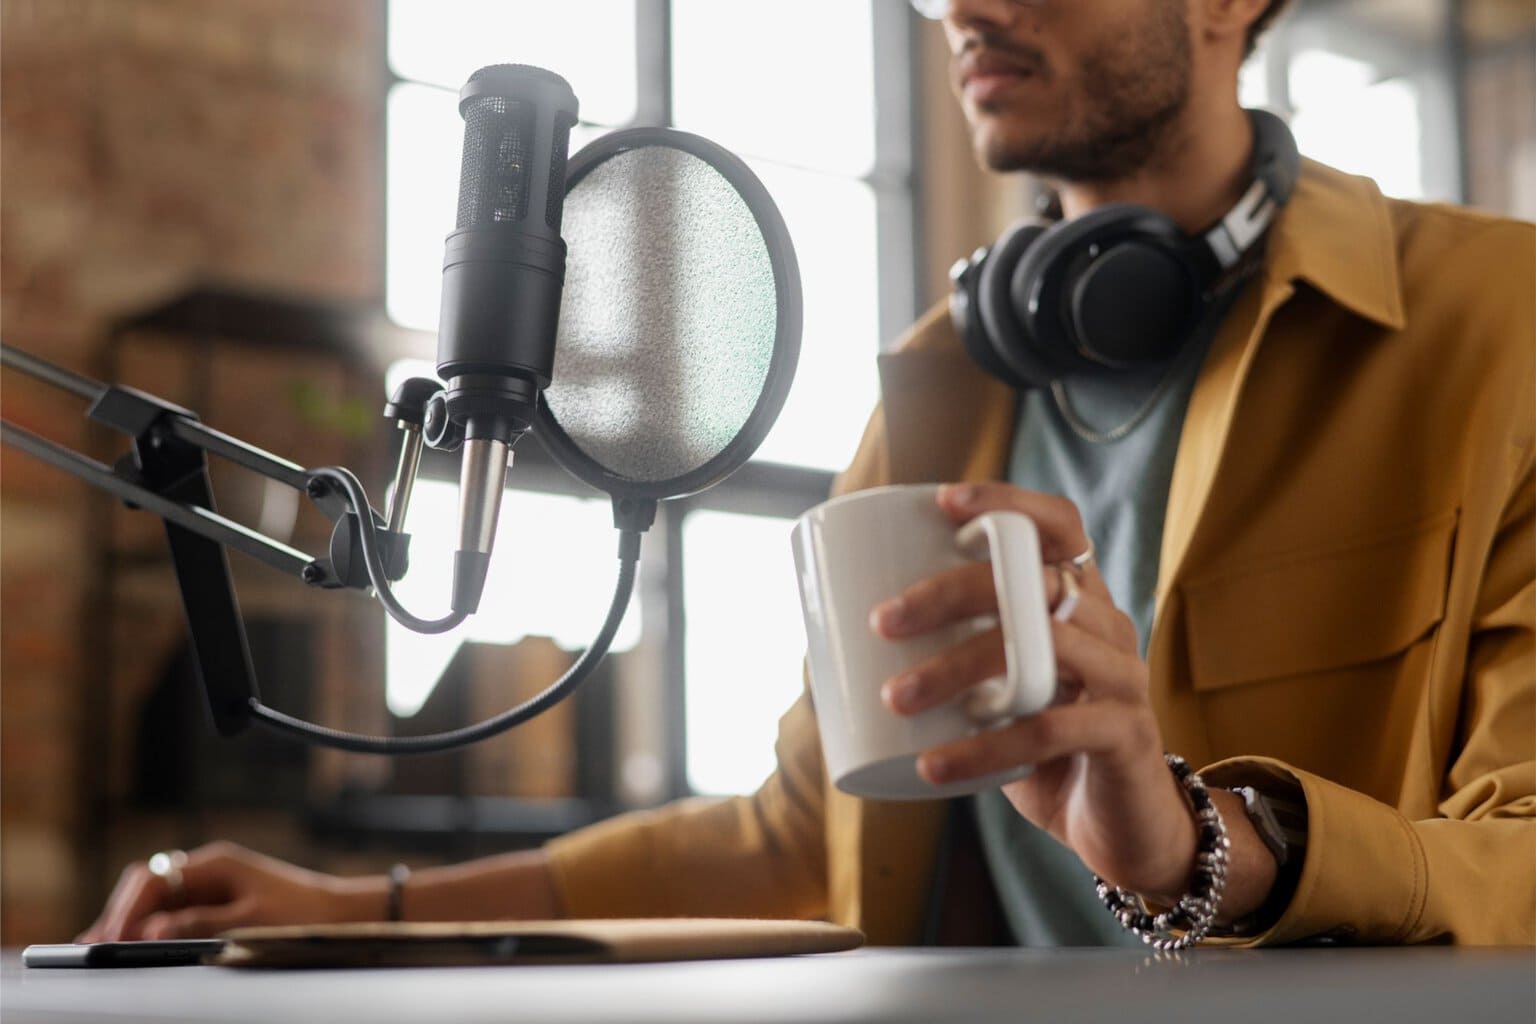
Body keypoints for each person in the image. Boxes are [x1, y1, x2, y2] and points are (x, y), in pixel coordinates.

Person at [83, 0, 1533, 947]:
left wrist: (1198, 843)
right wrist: (366, 908)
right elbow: (800, 833)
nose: (961, 5)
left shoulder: (1502, 327)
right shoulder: (938, 386)